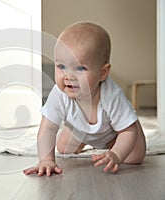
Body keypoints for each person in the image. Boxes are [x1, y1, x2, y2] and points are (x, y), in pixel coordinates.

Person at [23, 22, 146, 176]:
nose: (69, 76)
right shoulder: (59, 94)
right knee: (63, 149)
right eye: (61, 66)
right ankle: (78, 133)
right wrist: (45, 160)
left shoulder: (111, 95)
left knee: (134, 157)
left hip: (116, 133)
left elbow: (128, 131)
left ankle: (122, 128)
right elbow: (47, 128)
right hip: (81, 129)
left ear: (102, 73)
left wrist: (116, 154)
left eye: (80, 68)